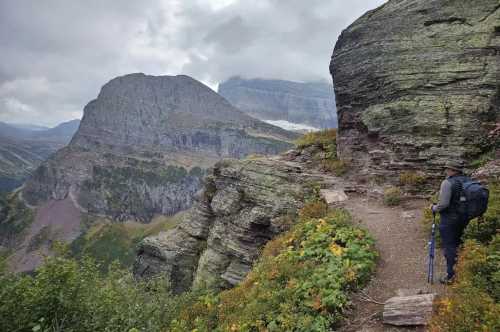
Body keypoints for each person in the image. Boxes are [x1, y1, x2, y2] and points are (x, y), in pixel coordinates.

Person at [430, 161, 469, 284]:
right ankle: (464, 270)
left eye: (447, 169)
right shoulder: (467, 180)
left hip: (449, 219)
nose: (445, 171)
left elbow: (443, 204)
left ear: (453, 170)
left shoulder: (447, 183)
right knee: (459, 243)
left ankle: (451, 275)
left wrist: (434, 208)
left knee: (449, 246)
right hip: (464, 218)